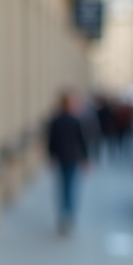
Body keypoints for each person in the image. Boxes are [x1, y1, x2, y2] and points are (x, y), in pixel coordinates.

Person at [47, 91, 89, 235]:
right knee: (70, 187)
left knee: (63, 187)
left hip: (61, 158)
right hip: (72, 158)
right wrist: (85, 158)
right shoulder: (74, 120)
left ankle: (64, 215)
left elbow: (51, 141)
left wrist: (51, 156)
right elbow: (82, 141)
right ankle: (69, 216)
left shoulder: (56, 120)